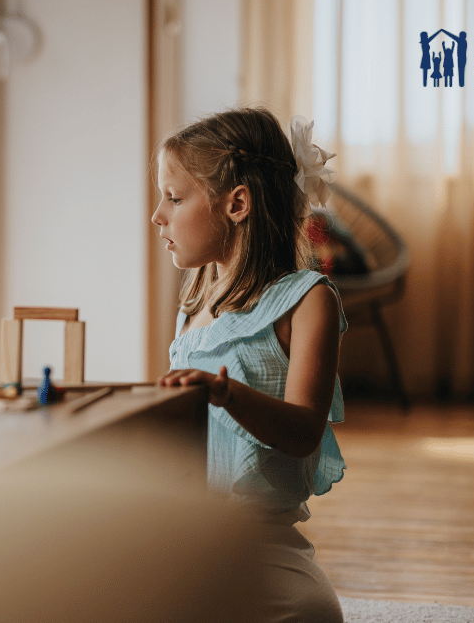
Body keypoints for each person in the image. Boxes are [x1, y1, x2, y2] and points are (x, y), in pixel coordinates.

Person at [151, 107, 346, 623]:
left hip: (260, 535)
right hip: (185, 526)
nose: (157, 216)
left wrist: (228, 394)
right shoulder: (193, 301)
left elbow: (304, 430)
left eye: (173, 198)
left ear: (237, 204)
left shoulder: (308, 301)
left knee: (314, 613)